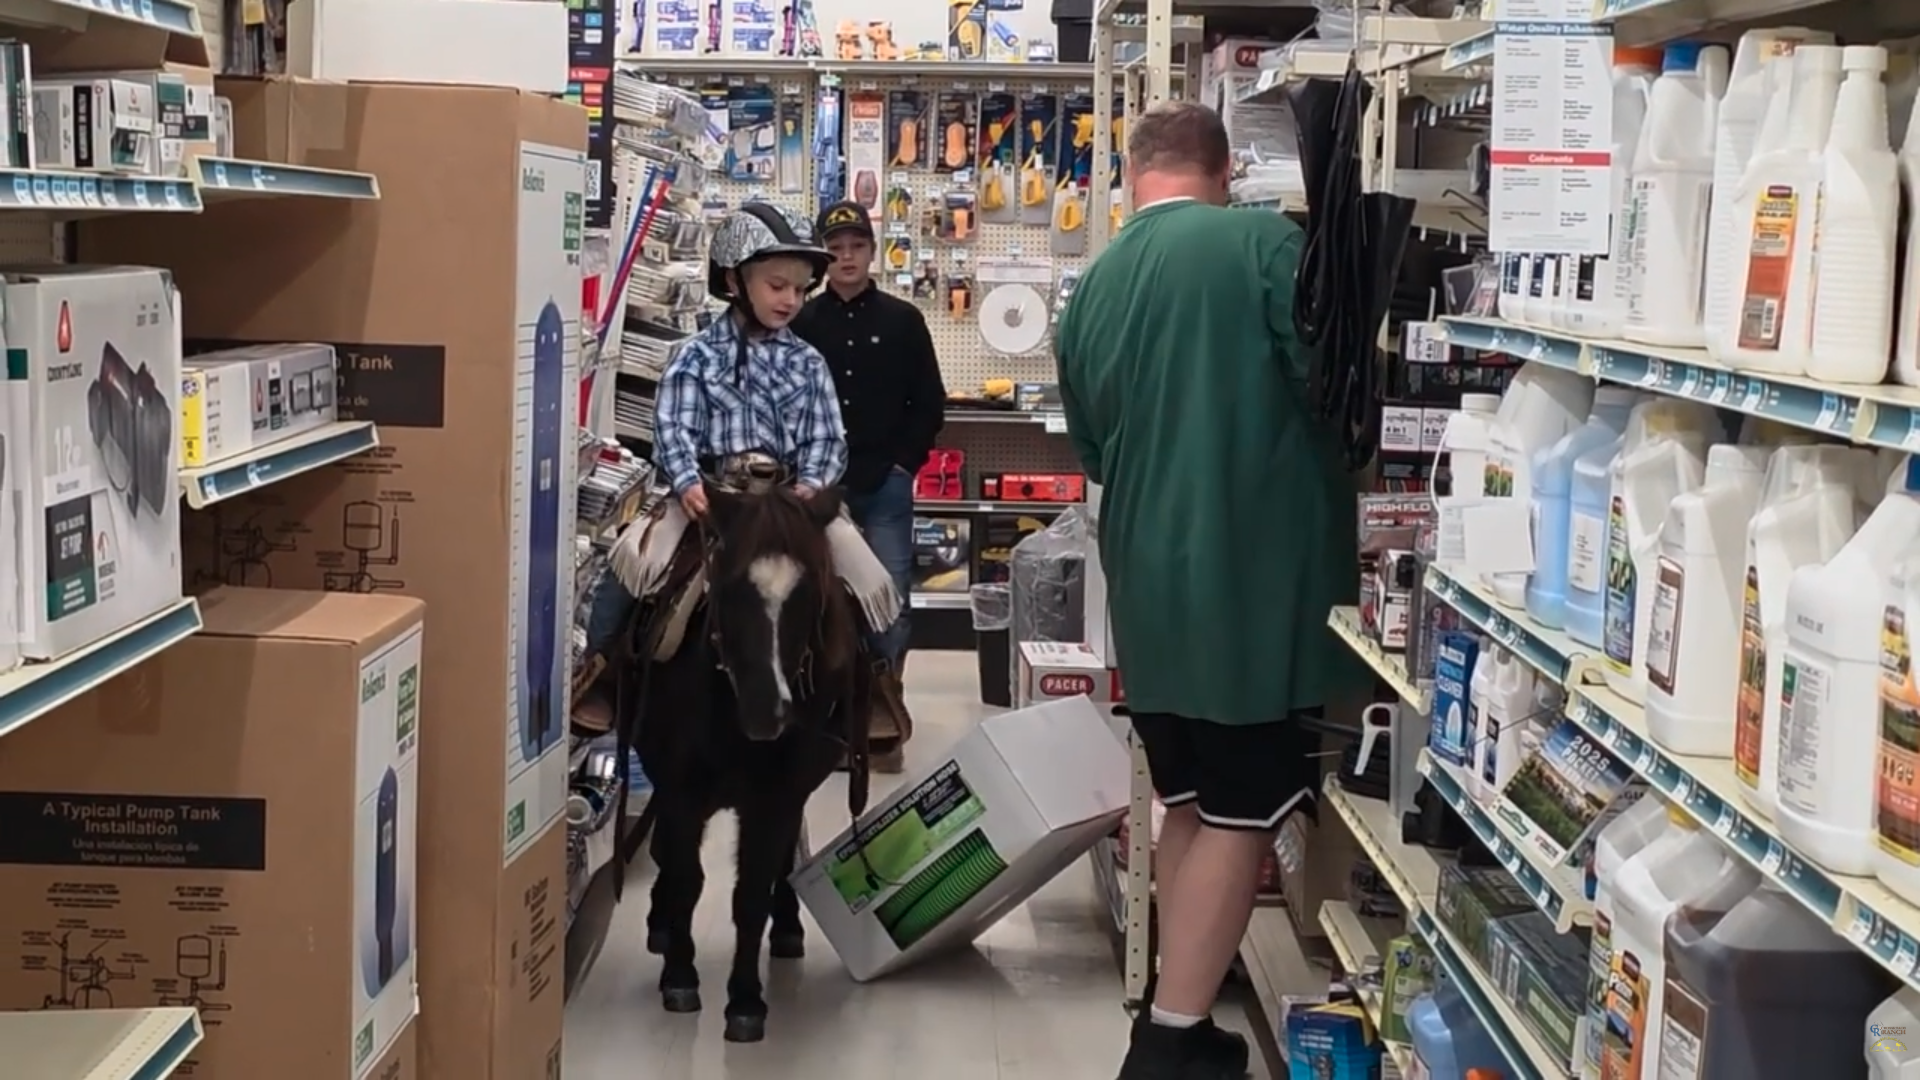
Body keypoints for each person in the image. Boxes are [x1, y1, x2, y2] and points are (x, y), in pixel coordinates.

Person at [1054, 102, 1362, 1080]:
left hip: (1147, 576)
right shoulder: (1262, 244)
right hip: (1247, 578)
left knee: (1186, 799)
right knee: (1241, 806)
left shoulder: (1093, 285)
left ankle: (1170, 1009)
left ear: (1133, 175)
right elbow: (1333, 386)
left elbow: (1095, 442)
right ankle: (1172, 1041)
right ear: (1225, 169)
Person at [573, 202, 900, 728]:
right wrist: (685, 483)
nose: (791, 299)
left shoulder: (809, 362)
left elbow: (827, 437)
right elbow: (673, 428)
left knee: (870, 578)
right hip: (713, 497)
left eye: (799, 288)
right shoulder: (694, 356)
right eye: (777, 285)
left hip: (792, 502)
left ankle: (875, 684)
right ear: (734, 280)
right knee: (633, 563)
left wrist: (814, 484)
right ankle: (603, 672)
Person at [790, 200, 946, 771]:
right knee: (817, 599)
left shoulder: (904, 321)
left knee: (889, 600)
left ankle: (883, 713)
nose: (845, 257)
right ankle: (830, 717)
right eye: (834, 249)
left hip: (885, 486)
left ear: (871, 252)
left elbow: (928, 402)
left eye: (855, 246)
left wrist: (905, 464)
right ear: (821, 260)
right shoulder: (803, 323)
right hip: (818, 489)